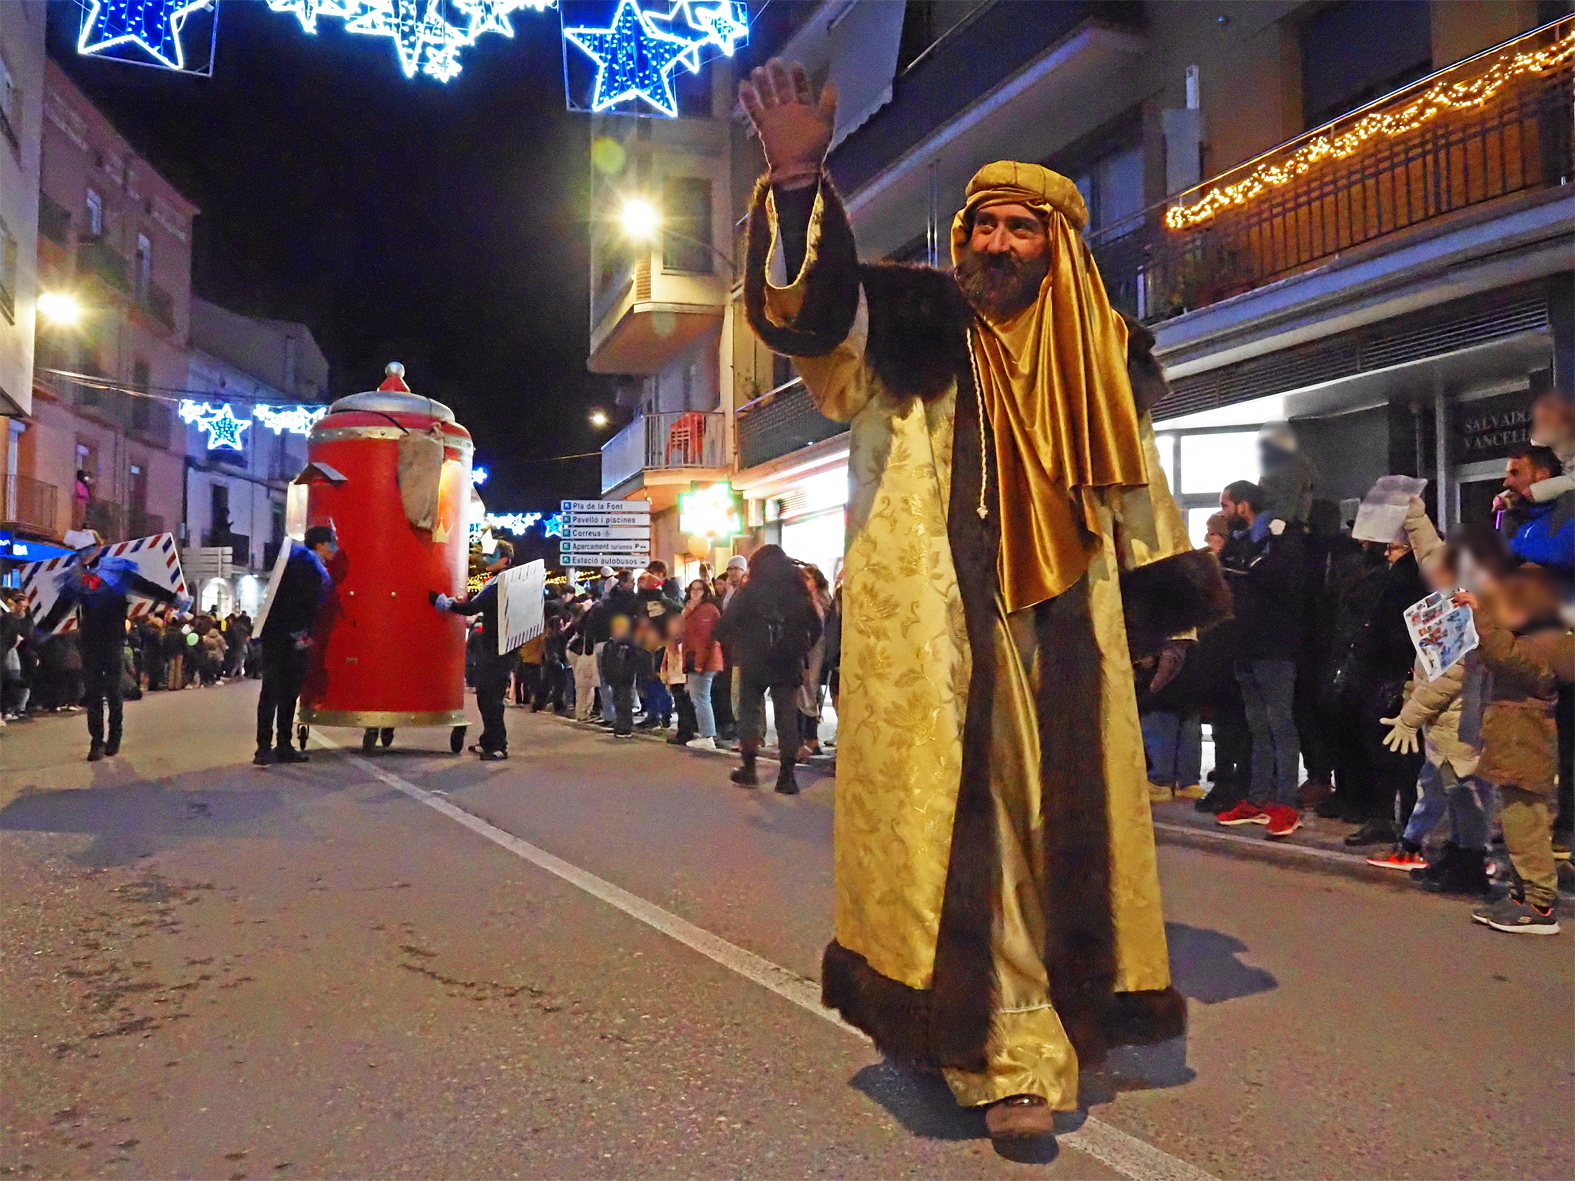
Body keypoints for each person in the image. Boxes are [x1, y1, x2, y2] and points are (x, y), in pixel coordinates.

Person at [738, 61, 1232, 1135]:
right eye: (981, 225)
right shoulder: (912, 322)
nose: (995, 245)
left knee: (1068, 830)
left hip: (1068, 628)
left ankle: (1058, 1006)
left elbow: (1137, 485)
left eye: (1019, 228)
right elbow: (813, 318)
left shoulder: (1106, 355)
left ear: (1058, 243)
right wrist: (794, 183)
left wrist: (1159, 609)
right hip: (942, 635)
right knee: (983, 832)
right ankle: (1008, 1049)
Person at [1366, 499, 1491, 889]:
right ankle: (1458, 855)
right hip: (1449, 719)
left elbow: (1452, 674)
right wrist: (1414, 514)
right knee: (1448, 788)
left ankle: (1471, 863)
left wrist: (1410, 716)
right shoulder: (1456, 588)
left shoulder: (1467, 606)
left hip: (1462, 719)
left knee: (1464, 791)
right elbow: (1429, 550)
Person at [1455, 570, 1572, 934]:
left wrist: (1482, 611)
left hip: (1527, 745)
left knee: (1527, 824)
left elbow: (1506, 656)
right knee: (1517, 824)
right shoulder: (1533, 633)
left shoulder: (1554, 643)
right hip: (1513, 743)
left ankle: (1539, 904)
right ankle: (1521, 893)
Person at [37, 531, 188, 761]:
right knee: (94, 693)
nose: (84, 555)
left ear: (98, 547)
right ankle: (96, 742)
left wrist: (174, 598)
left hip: (114, 639)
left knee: (114, 690)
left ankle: (114, 737)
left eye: (88, 549)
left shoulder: (118, 571)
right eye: (80, 552)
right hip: (89, 641)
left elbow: (146, 586)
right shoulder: (76, 579)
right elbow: (61, 608)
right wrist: (40, 631)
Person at [1213, 481, 1308, 837]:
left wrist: (1251, 563)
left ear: (1243, 504)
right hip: (1246, 646)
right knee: (1258, 729)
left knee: (1280, 726)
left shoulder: (1282, 537)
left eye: (1226, 505)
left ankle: (1286, 804)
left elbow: (1280, 579)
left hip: (1276, 648)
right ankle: (1257, 799)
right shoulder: (1242, 542)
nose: (1223, 513)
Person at [712, 544, 821, 795]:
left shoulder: (749, 591)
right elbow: (815, 626)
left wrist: (739, 644)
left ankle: (749, 769)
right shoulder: (797, 590)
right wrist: (800, 649)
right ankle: (786, 777)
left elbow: (722, 627)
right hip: (787, 660)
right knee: (786, 718)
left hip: (754, 660)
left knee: (749, 714)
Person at [255, 525, 336, 766]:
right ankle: (274, 746)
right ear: (319, 544)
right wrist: (300, 634)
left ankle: (272, 746)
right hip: (289, 639)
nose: (335, 548)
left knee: (277, 692)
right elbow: (300, 604)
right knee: (282, 693)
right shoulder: (308, 567)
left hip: (280, 637)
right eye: (332, 542)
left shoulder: (301, 563)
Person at [431, 539, 515, 760]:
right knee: (487, 694)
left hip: (499, 648)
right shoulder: (500, 580)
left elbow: (473, 607)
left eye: (493, 555)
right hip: (497, 646)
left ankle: (498, 745)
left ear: (504, 560)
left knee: (490, 696)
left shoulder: (503, 583)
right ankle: (489, 740)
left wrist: (445, 603)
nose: (487, 559)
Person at [1498, 444, 1573, 579]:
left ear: (1542, 475)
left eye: (1515, 473)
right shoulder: (1517, 518)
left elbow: (1561, 554)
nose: (1506, 483)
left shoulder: (1568, 509)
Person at [681, 577, 724, 750]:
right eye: (692, 589)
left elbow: (705, 639)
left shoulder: (708, 610)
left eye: (699, 589)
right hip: (695, 658)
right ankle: (707, 733)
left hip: (703, 660)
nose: (695, 592)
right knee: (698, 697)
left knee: (701, 697)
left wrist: (699, 662)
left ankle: (708, 735)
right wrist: (687, 611)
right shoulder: (695, 610)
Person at [598, 614, 643, 737]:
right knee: (617, 701)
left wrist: (629, 673)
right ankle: (619, 724)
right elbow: (605, 661)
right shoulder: (610, 644)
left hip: (625, 678)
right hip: (613, 678)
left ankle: (626, 727)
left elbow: (634, 661)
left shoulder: (629, 644)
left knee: (624, 702)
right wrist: (607, 675)